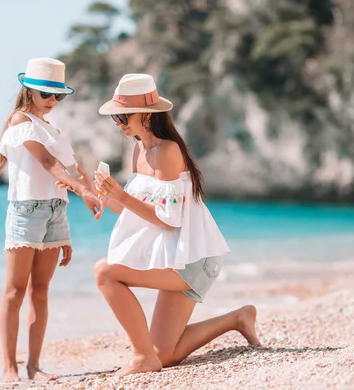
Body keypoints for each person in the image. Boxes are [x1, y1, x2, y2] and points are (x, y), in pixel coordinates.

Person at [91, 73, 261, 376]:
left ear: (145, 114)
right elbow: (135, 212)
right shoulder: (139, 150)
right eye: (115, 117)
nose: (118, 123)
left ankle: (141, 358)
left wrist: (120, 194)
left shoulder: (167, 151)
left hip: (193, 260)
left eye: (122, 115)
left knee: (104, 271)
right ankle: (238, 318)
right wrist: (98, 194)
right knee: (165, 354)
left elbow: (168, 221)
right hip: (176, 257)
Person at [0, 57, 103, 382]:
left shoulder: (51, 127)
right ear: (29, 90)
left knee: (41, 291)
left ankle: (34, 366)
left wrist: (68, 220)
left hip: (56, 210)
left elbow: (63, 172)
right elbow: (47, 162)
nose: (53, 101)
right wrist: (85, 191)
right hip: (26, 210)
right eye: (47, 95)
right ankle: (10, 367)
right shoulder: (20, 121)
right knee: (14, 291)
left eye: (59, 96)